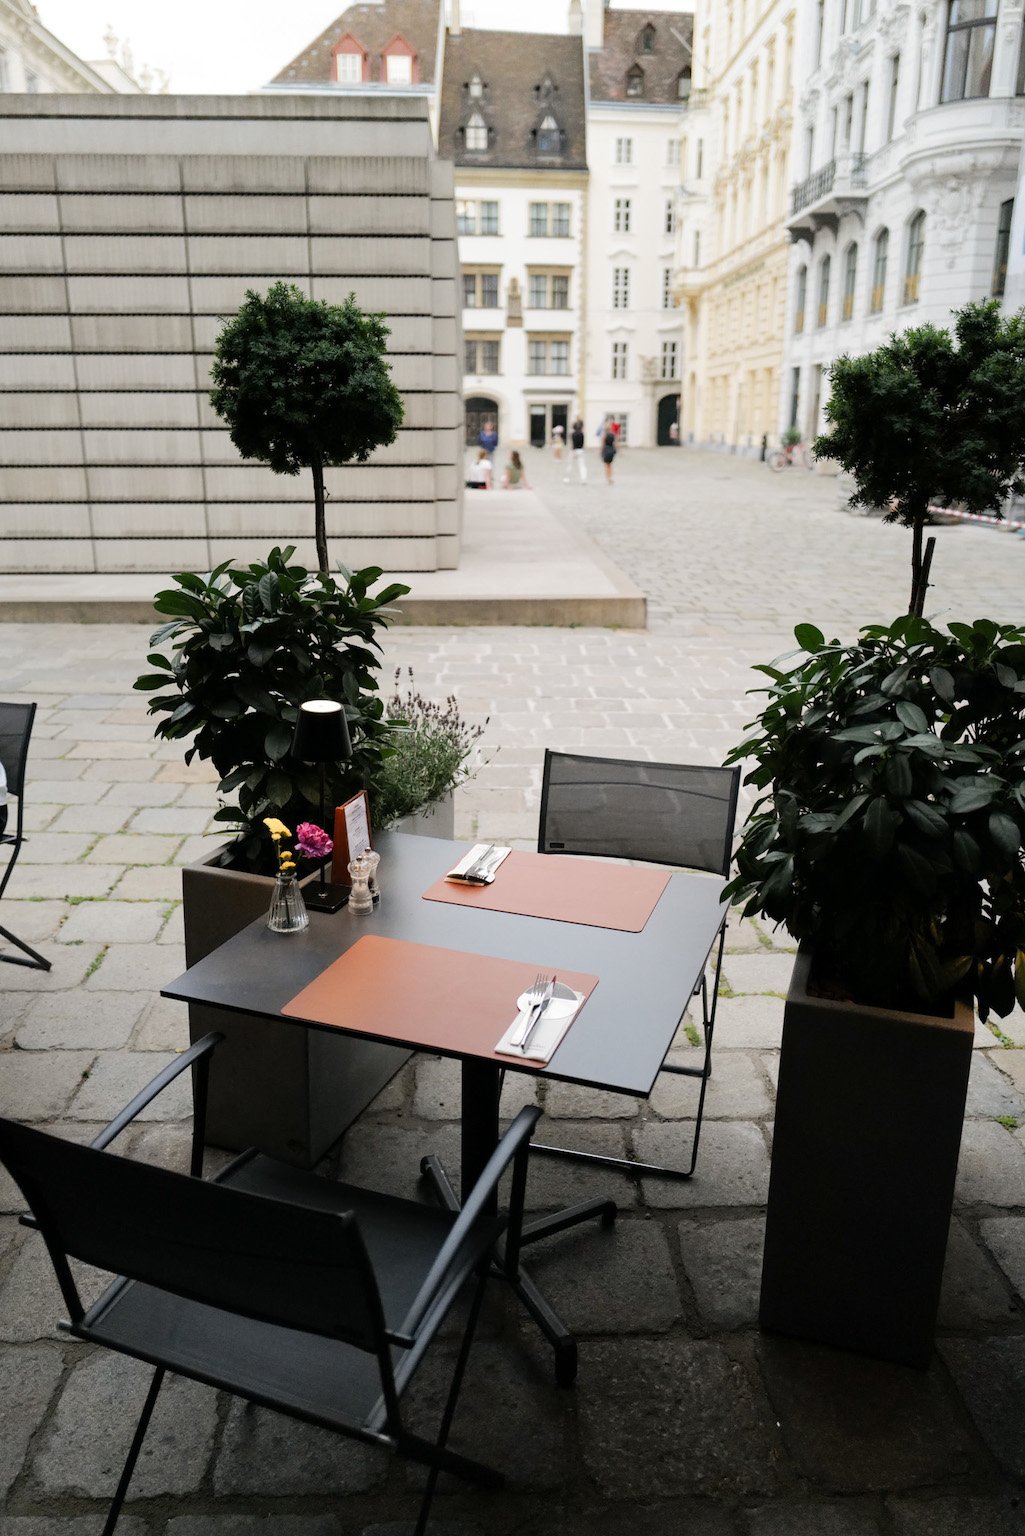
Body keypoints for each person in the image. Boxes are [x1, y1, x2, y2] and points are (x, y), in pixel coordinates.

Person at [564, 418, 587, 483]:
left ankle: (567, 478)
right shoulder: (582, 433)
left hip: (574, 450)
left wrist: (573, 451)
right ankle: (583, 479)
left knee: (570, 464)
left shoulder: (573, 434)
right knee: (582, 465)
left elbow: (573, 443)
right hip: (581, 450)